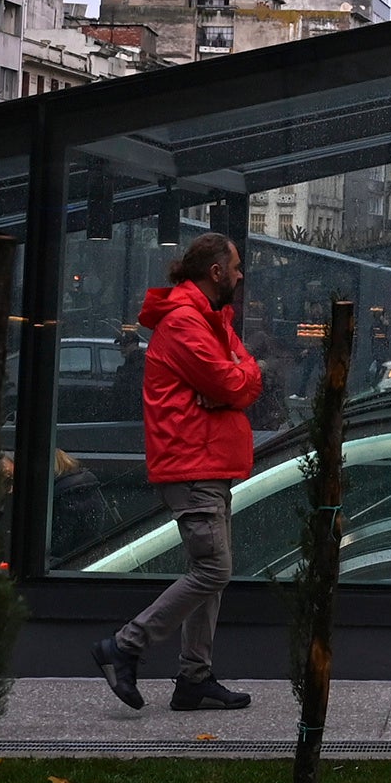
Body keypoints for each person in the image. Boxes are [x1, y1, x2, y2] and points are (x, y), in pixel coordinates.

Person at [94, 233, 263, 713]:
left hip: (207, 462)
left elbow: (244, 376)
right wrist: (234, 379)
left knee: (208, 572)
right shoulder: (188, 323)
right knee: (214, 568)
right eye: (235, 266)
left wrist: (237, 378)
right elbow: (237, 379)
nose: (240, 274)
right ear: (215, 273)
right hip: (193, 464)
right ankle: (125, 646)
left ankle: (194, 678)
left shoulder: (210, 320)